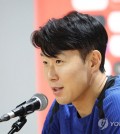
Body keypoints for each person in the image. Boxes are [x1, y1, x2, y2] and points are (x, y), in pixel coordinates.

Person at [31, 11, 120, 134]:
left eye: (58, 61)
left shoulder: (116, 103)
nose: (50, 76)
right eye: (45, 62)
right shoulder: (62, 107)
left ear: (93, 61)